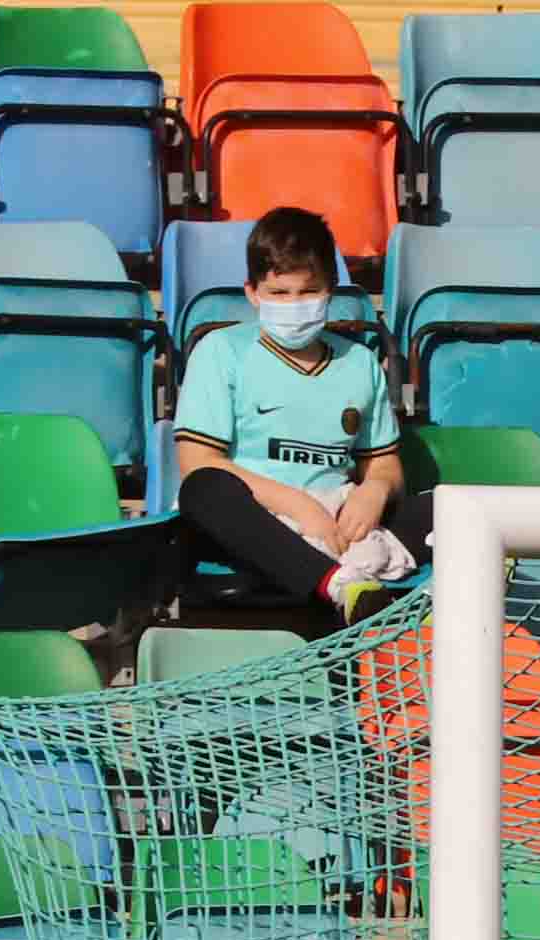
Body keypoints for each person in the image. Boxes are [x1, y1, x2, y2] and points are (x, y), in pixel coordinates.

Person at [172, 204, 422, 627]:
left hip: (341, 518)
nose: (294, 304)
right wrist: (301, 508)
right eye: (278, 294)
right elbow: (198, 464)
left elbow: (384, 463)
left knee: (454, 508)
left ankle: (435, 590)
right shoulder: (221, 351)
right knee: (202, 491)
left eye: (308, 292)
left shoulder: (359, 361)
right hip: (256, 517)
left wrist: (375, 490)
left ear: (331, 290)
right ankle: (342, 585)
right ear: (252, 293)